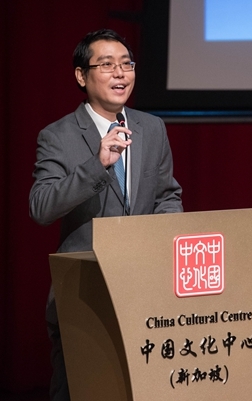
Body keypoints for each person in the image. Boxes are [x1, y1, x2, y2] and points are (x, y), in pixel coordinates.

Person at [29, 29, 183, 401]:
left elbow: (166, 196)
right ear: (81, 76)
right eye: (107, 64)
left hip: (145, 291)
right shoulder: (58, 136)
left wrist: (166, 243)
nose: (120, 73)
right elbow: (41, 207)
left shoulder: (151, 128)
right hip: (85, 295)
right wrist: (97, 165)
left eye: (127, 64)